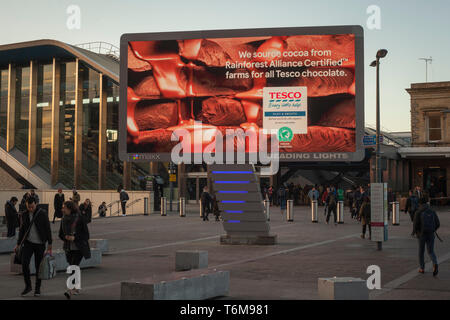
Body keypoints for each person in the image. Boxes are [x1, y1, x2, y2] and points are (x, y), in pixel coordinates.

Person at [15, 197, 52, 297]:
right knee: (24, 263)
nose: (30, 209)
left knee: (38, 266)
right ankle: (28, 286)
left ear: (36, 204)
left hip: (40, 244)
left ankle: (37, 288)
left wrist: (50, 243)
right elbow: (22, 230)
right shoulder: (24, 214)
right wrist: (18, 244)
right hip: (28, 243)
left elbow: (48, 228)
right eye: (28, 207)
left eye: (32, 207)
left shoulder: (42, 213)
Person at [59, 201, 91, 299]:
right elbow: (60, 234)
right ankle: (76, 288)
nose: (62, 209)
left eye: (64, 208)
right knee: (73, 266)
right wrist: (66, 237)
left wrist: (75, 238)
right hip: (68, 247)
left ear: (70, 208)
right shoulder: (63, 219)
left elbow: (86, 235)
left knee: (73, 266)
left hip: (79, 247)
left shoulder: (80, 218)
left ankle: (70, 289)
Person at [413, 196, 440, 276]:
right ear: (427, 202)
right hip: (431, 234)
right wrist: (432, 229)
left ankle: (422, 268)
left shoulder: (418, 211)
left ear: (420, 203)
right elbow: (438, 223)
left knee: (421, 252)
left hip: (421, 234)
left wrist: (416, 232)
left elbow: (415, 224)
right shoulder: (432, 211)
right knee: (431, 251)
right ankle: (435, 263)